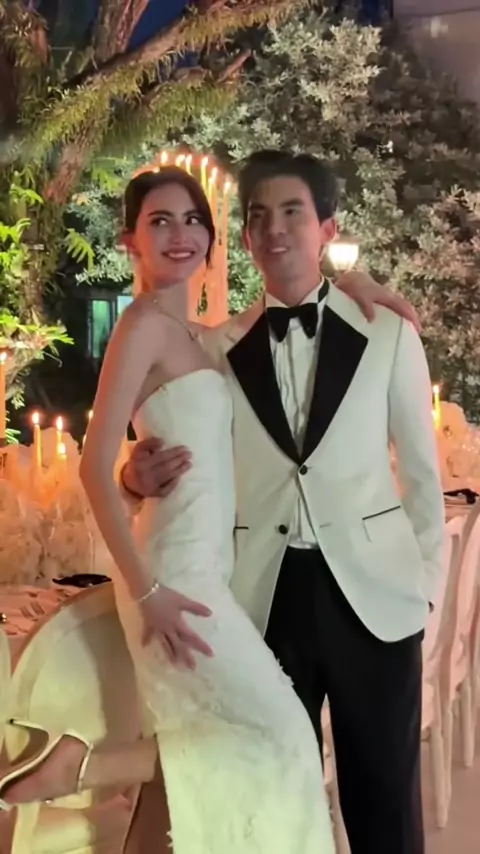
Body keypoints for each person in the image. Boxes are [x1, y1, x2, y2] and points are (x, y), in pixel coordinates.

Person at [0, 165, 337, 854]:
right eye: (160, 221)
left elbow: (305, 294)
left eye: (192, 220)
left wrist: (360, 285)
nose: (180, 234)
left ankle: (90, 771)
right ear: (130, 240)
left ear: (211, 237)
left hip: (207, 569)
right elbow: (94, 466)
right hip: (170, 574)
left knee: (194, 758)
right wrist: (147, 588)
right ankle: (80, 763)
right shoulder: (142, 324)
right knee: (282, 735)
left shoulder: (198, 336)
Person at [120, 151, 445, 854]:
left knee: (385, 805)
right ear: (243, 238)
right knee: (273, 794)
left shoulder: (387, 332)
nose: (274, 228)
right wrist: (130, 476)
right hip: (262, 598)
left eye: (292, 212)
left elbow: (426, 477)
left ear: (326, 227)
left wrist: (426, 588)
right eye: (258, 216)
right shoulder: (215, 349)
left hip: (376, 599)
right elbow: (176, 438)